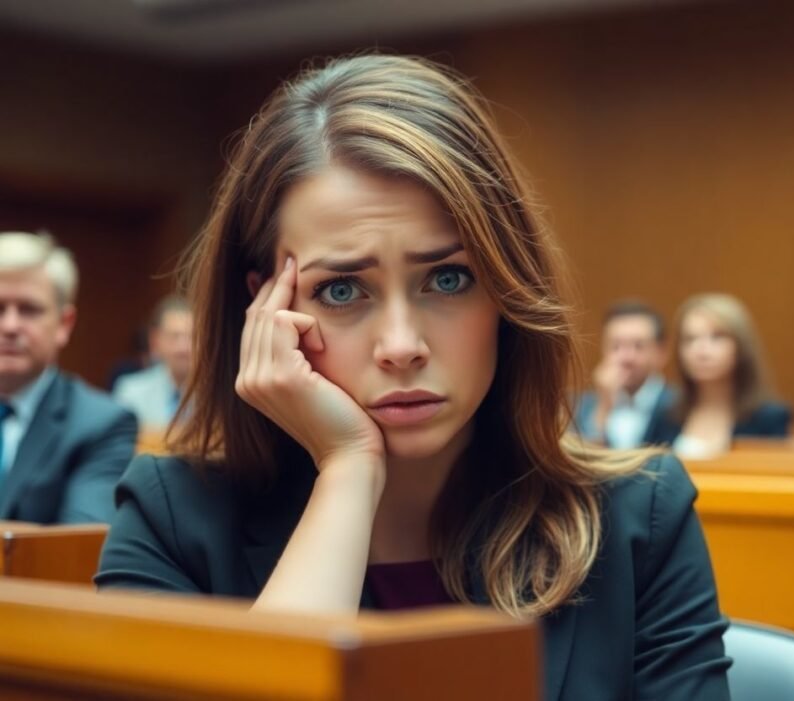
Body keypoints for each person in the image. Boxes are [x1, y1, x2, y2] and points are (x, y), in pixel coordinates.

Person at [95, 56, 730, 699]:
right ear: (267, 311)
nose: (402, 346)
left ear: (506, 289)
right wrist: (348, 468)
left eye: (448, 279)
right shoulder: (171, 519)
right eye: (342, 289)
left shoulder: (638, 517)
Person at [0, 231, 137, 523]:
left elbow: (74, 549)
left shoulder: (102, 423)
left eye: (29, 310)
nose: (10, 326)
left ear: (64, 324)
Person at [671, 293, 791, 460]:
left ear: (741, 346)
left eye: (717, 337)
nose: (701, 350)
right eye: (690, 339)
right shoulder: (666, 413)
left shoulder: (769, 418)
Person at [573, 301, 679, 448]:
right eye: (616, 346)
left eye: (638, 346)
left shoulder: (679, 405)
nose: (626, 357)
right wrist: (604, 406)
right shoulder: (579, 407)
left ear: (661, 352)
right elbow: (581, 462)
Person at [112, 295, 193, 432]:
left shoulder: (216, 398)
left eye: (192, 337)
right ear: (156, 341)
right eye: (174, 336)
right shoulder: (130, 392)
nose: (183, 347)